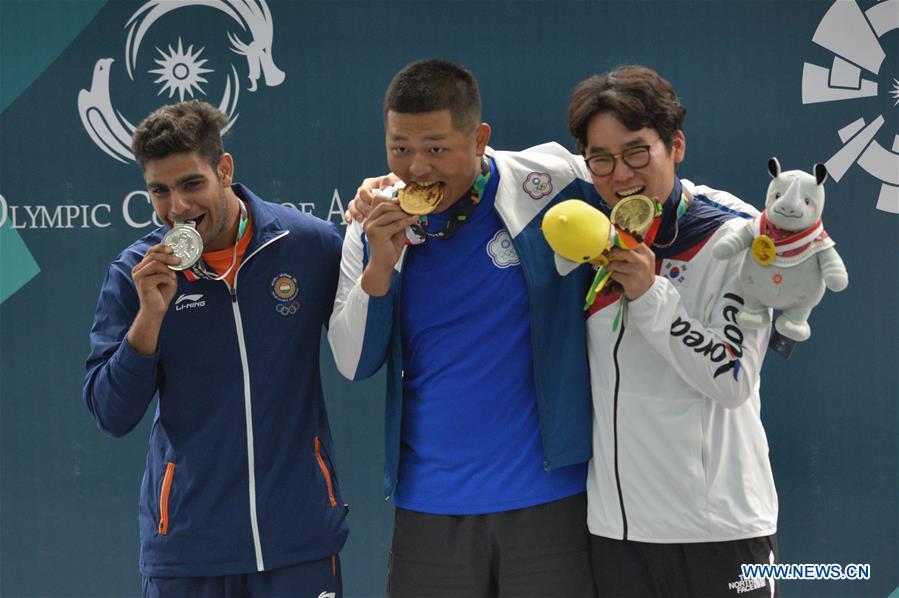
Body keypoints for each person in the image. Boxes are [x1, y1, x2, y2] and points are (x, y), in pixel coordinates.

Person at [328, 59, 597, 597]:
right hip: (430, 509)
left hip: (549, 501)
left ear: (479, 139)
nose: (416, 168)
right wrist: (380, 264)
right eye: (399, 148)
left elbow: (649, 186)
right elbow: (351, 362)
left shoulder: (551, 185)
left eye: (436, 148)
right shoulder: (370, 225)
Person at [83, 101, 348, 597]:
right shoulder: (134, 274)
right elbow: (111, 414)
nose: (176, 208)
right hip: (188, 551)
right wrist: (150, 318)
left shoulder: (308, 244)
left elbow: (366, 337)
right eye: (159, 191)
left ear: (224, 170)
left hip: (298, 541)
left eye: (190, 184)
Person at [567, 65, 779, 597]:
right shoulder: (590, 232)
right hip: (617, 535)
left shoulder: (735, 235)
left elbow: (732, 379)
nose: (620, 175)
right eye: (602, 160)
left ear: (676, 145)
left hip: (719, 533)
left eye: (638, 152)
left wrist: (651, 293)